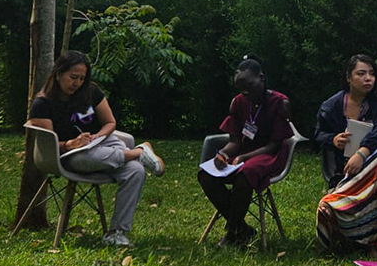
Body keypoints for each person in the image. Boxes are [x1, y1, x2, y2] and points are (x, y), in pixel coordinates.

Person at [28, 50, 165, 247]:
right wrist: (70, 144)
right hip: (69, 155)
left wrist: (97, 137)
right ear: (58, 74)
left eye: (82, 78)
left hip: (102, 145)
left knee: (135, 171)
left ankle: (116, 233)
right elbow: (46, 146)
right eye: (73, 77)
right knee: (99, 159)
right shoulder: (42, 104)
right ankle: (139, 152)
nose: (77, 83)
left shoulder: (91, 91)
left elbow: (110, 123)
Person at [315, 54, 377, 254]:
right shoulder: (331, 106)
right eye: (361, 73)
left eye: (372, 74)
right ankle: (353, 237)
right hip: (347, 169)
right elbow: (318, 134)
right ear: (349, 78)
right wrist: (332, 140)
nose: (368, 78)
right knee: (327, 207)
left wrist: (362, 153)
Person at [197, 55, 293, 247]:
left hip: (269, 155)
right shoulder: (239, 102)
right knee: (205, 175)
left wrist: (243, 157)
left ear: (262, 78)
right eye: (240, 88)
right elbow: (234, 140)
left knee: (246, 173)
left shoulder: (279, 102)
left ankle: (232, 232)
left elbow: (274, 145)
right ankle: (243, 229)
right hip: (243, 153)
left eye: (249, 85)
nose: (245, 92)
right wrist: (224, 153)